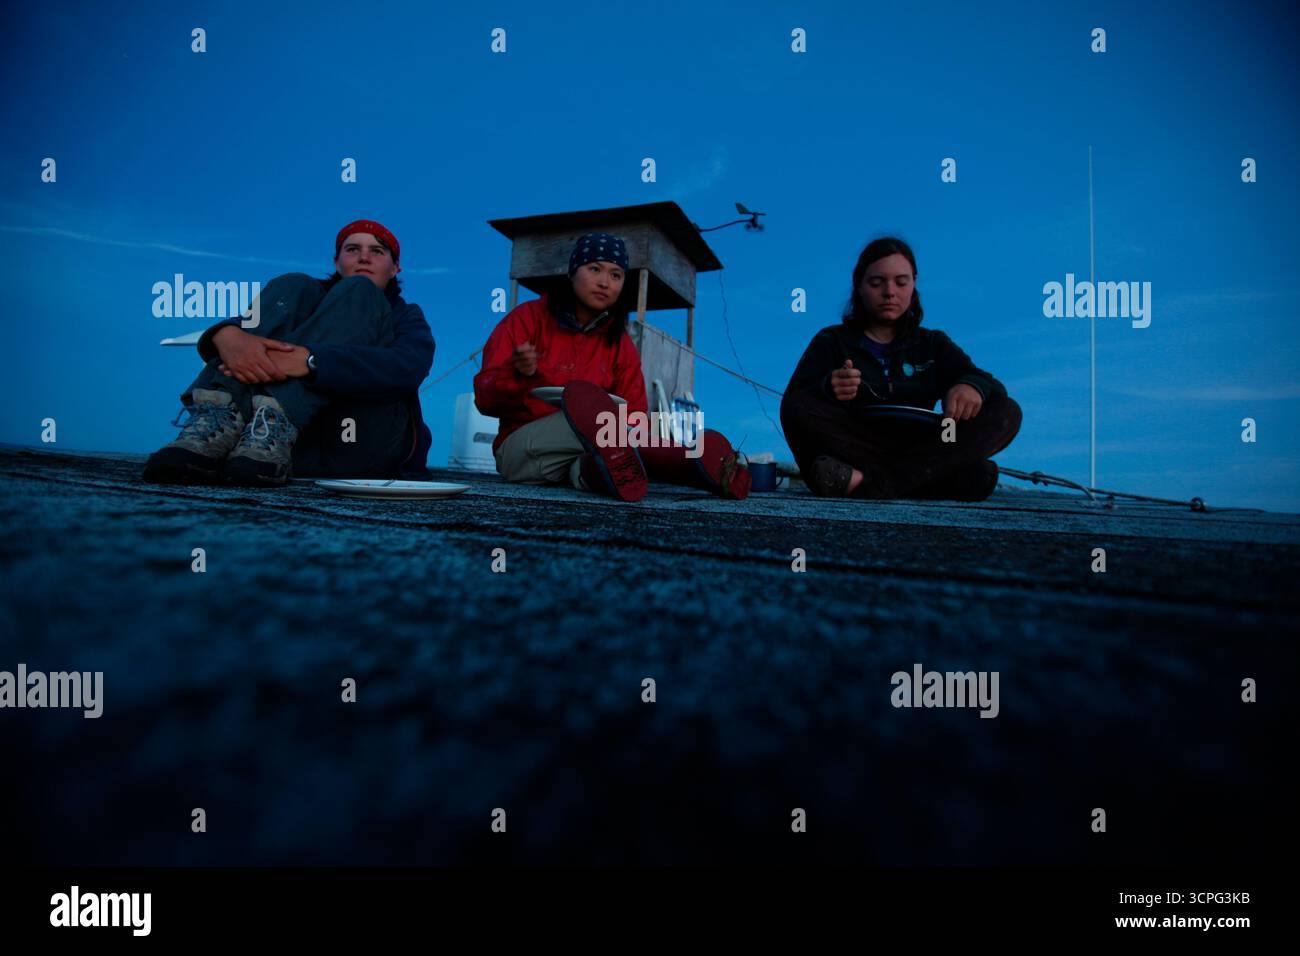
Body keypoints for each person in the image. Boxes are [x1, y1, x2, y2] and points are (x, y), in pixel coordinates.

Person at [142, 220, 435, 487]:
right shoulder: (301, 296)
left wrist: (310, 361)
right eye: (352, 249)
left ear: (395, 268)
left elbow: (408, 367)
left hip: (359, 446)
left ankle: (274, 417)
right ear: (336, 261)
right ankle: (218, 418)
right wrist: (226, 333)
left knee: (359, 291)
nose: (364, 257)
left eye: (377, 251)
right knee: (293, 283)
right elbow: (254, 323)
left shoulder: (405, 316)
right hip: (284, 450)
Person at [473, 232, 750, 502]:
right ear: (572, 272)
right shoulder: (526, 319)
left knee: (597, 463)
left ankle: (603, 472)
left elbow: (636, 414)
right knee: (589, 419)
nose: (605, 282)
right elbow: (484, 401)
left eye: (616, 275)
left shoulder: (620, 343)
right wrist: (516, 374)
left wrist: (623, 430)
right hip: (521, 450)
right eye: (595, 269)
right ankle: (688, 460)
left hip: (574, 461)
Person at [781, 236, 1021, 500]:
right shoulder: (832, 340)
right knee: (977, 477)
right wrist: (828, 387)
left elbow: (992, 388)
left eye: (901, 282)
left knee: (1007, 411)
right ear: (859, 286)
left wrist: (971, 386)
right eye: (876, 282)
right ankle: (930, 480)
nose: (889, 292)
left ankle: (873, 485)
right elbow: (796, 401)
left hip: (931, 442)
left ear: (914, 284)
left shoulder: (933, 343)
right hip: (857, 441)